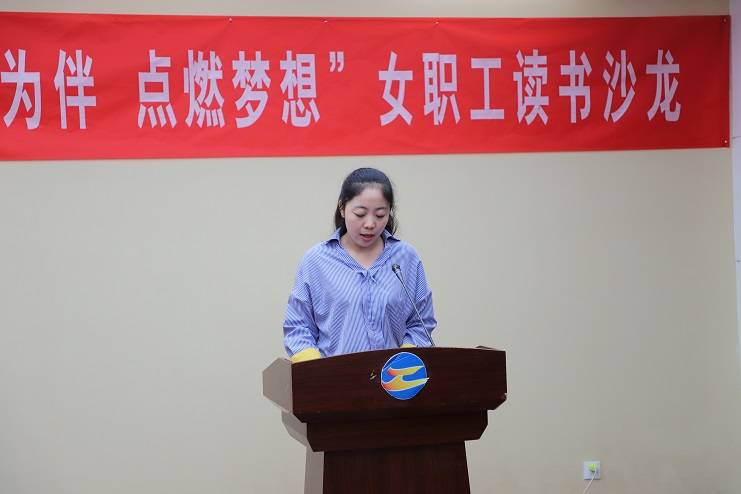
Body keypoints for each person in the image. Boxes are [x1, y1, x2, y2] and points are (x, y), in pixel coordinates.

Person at [283, 167, 437, 362]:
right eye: (360, 214)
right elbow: (298, 328)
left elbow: (420, 323)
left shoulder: (406, 257)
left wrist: (403, 362)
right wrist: (319, 371)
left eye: (380, 215)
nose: (370, 224)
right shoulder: (316, 260)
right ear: (342, 208)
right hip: (335, 377)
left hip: (393, 377)